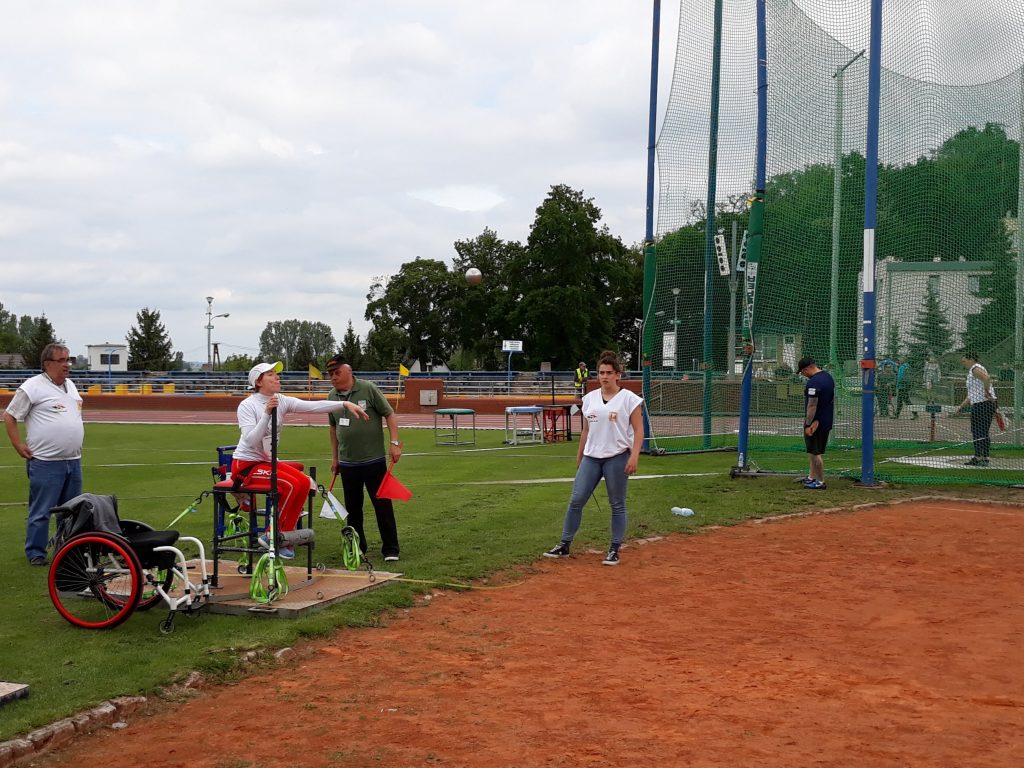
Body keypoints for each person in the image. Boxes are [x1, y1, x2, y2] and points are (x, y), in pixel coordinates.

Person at [234, 361, 368, 558]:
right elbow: (251, 440)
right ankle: (272, 536)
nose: (277, 377)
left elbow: (314, 406)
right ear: (258, 381)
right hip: (246, 465)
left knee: (303, 483)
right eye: (270, 374)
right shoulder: (247, 405)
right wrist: (266, 415)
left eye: (276, 373)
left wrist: (343, 404)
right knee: (290, 484)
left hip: (267, 462)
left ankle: (282, 536)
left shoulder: (281, 400)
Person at [543, 350, 643, 566]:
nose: (604, 376)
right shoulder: (589, 399)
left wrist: (634, 456)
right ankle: (564, 544)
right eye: (600, 373)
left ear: (618, 374)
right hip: (591, 456)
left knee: (617, 504)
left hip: (616, 456)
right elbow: (586, 431)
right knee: (576, 500)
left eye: (608, 372)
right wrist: (579, 458)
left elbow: (639, 430)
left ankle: (614, 549)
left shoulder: (629, 399)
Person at [3, 344, 84, 566]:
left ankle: (66, 550)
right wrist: (18, 444)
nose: (67, 364)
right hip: (46, 462)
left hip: (73, 461)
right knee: (41, 510)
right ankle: (36, 553)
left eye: (69, 359)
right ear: (47, 364)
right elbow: (10, 416)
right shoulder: (32, 387)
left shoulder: (71, 386)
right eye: (62, 360)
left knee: (71, 512)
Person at [325, 354, 403, 563]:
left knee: (382, 505)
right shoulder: (332, 396)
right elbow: (333, 428)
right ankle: (358, 547)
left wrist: (394, 443)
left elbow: (389, 413)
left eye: (337, 372)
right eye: (331, 374)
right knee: (353, 508)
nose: (333, 377)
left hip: (373, 460)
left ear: (348, 371)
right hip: (348, 463)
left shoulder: (368, 388)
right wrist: (335, 458)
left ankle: (391, 548)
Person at [798, 356, 834, 490]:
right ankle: (811, 477)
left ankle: (820, 481)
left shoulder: (814, 383)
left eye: (802, 372)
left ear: (806, 369)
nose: (804, 375)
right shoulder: (828, 377)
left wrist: (808, 424)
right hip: (826, 419)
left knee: (815, 453)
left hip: (815, 423)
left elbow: (812, 405)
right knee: (813, 451)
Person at [958, 352, 996, 466]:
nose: (963, 363)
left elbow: (987, 378)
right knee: (980, 430)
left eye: (965, 361)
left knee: (979, 431)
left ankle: (980, 457)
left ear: (971, 359)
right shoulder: (972, 372)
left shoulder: (975, 368)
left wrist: (987, 391)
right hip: (980, 403)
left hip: (983, 404)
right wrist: (960, 407)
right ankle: (983, 457)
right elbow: (971, 395)